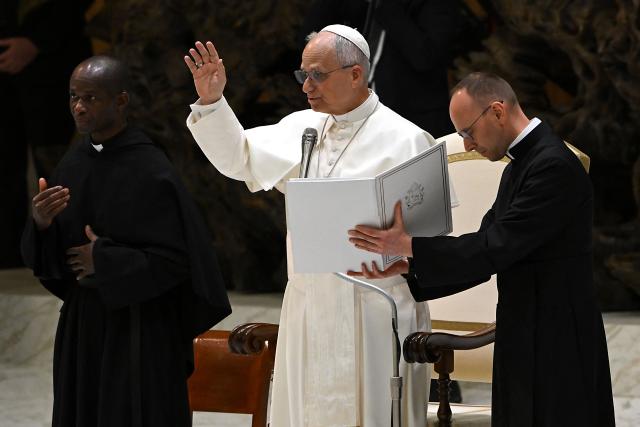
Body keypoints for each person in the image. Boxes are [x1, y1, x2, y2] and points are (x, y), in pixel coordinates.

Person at [184, 25, 455, 426]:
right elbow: (240, 157)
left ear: (356, 74)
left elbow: (433, 235)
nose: (306, 86)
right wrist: (212, 101)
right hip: (311, 305)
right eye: (303, 75)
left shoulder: (406, 139)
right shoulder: (302, 128)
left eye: (318, 75)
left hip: (375, 310)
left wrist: (398, 246)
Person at [348, 72, 616, 426]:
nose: (468, 145)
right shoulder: (520, 167)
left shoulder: (552, 166)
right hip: (523, 331)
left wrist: (410, 245)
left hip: (559, 339)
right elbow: (485, 246)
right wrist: (406, 263)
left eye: (468, 132)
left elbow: (495, 247)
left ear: (498, 111)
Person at [21, 55, 231, 427]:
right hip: (84, 326)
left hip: (139, 330)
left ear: (120, 101)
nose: (79, 107)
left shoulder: (151, 168)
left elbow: (179, 261)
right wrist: (41, 224)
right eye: (73, 97)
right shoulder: (73, 162)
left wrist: (103, 258)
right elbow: (51, 258)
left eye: (91, 98)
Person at [0, 0, 92, 268]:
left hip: (54, 72)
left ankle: (69, 252)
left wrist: (37, 42)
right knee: (4, 169)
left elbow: (72, 10)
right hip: (7, 80)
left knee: (60, 168)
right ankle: (10, 255)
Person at [301, 0, 464, 138]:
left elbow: (426, 57)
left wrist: (386, 4)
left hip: (416, 116)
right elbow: (311, 36)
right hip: (358, 112)